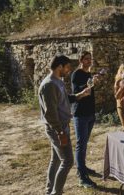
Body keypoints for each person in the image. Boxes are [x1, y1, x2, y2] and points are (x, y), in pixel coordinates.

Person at [39, 55, 90, 195]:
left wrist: (81, 94)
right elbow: (50, 113)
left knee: (55, 160)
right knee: (67, 161)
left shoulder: (58, 81)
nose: (69, 70)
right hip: (57, 128)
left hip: (62, 127)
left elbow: (65, 99)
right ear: (59, 66)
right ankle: (56, 193)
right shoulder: (49, 84)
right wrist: (60, 132)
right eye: (67, 67)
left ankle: (49, 191)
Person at [70, 51, 101, 188]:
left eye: (90, 59)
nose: (89, 61)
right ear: (81, 60)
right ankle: (82, 176)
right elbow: (77, 91)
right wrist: (89, 84)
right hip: (80, 114)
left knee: (84, 143)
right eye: (87, 59)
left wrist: (93, 81)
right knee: (80, 144)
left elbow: (90, 93)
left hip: (90, 113)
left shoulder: (89, 74)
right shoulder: (76, 74)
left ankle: (82, 167)